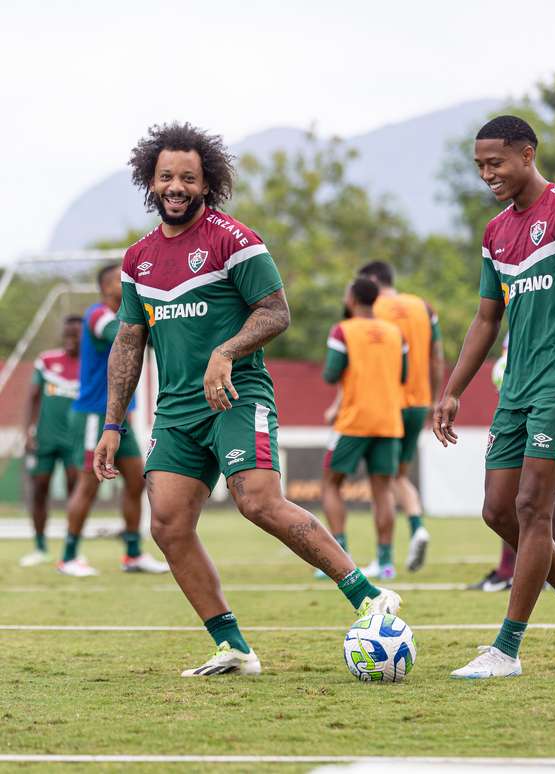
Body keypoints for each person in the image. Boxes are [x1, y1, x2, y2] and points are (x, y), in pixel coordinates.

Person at [93, 121, 400, 677]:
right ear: (151, 181)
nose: (177, 186)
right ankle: (232, 647)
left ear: (207, 183)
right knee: (166, 524)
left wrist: (226, 351)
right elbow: (129, 342)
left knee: (257, 500)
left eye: (188, 177)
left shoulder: (234, 240)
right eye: (167, 177)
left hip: (236, 395)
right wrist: (113, 424)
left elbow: (276, 312)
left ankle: (368, 598)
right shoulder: (137, 260)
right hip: (177, 411)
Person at [434, 115, 555, 678]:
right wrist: (451, 391)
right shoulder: (495, 232)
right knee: (498, 511)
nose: (486, 174)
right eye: (479, 166)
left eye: (495, 163)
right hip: (515, 389)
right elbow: (485, 319)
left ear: (527, 153)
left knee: (531, 508)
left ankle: (506, 649)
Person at [58, 265, 168, 577]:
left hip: (118, 419)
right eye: (125, 279)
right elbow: (119, 334)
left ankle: (132, 554)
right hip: (94, 415)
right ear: (109, 286)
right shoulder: (97, 314)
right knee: (88, 485)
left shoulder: (126, 313)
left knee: (136, 480)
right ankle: (68, 556)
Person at [358, 260, 444, 572]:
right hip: (420, 402)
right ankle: (417, 527)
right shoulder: (422, 306)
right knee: (398, 476)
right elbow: (437, 356)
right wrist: (434, 399)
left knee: (381, 482)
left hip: (386, 404)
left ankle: (384, 559)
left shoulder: (371, 310)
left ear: (370, 281)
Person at [469, 333, 555, 591]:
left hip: (547, 403)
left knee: (526, 499)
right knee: (523, 499)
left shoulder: (550, 313)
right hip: (517, 402)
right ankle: (519, 570)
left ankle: (542, 573)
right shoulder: (518, 314)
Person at [321, 277, 407, 580]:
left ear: (352, 298)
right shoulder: (396, 333)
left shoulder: (342, 330)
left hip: (354, 420)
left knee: (331, 483)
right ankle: (385, 562)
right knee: (382, 489)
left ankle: (338, 557)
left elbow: (331, 374)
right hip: (389, 420)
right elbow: (403, 375)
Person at [19, 316, 82, 567]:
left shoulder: (91, 364)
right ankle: (40, 547)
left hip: (74, 440)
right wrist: (28, 432)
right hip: (44, 439)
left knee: (74, 492)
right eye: (66, 335)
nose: (69, 341)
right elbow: (32, 397)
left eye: (74, 336)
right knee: (39, 489)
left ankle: (72, 550)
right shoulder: (47, 360)